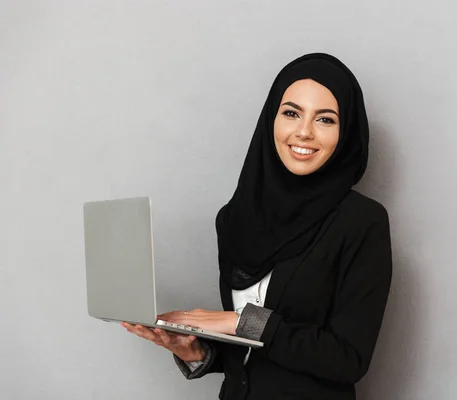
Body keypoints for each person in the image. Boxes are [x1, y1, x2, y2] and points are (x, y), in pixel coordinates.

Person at [122, 52, 392, 400]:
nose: (304, 132)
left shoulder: (361, 221)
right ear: (271, 120)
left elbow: (348, 359)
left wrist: (241, 322)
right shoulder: (234, 217)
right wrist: (197, 353)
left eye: (325, 119)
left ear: (345, 132)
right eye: (291, 113)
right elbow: (249, 356)